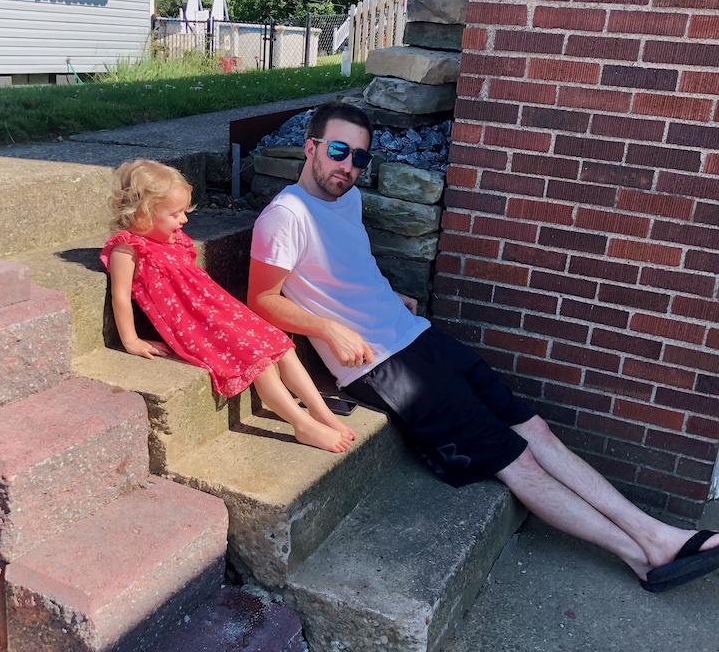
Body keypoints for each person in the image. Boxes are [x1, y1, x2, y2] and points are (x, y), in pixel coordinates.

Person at [248, 101, 719, 592]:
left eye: (360, 158)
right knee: (517, 460)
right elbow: (261, 301)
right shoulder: (286, 216)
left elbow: (346, 269)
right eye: (339, 151)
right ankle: (640, 555)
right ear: (311, 147)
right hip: (381, 367)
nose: (348, 166)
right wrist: (328, 328)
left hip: (415, 336)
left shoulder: (347, 199)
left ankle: (657, 534)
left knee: (534, 428)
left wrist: (389, 295)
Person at [100, 159, 356, 454]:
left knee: (280, 344)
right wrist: (130, 340)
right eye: (175, 214)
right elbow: (121, 295)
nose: (183, 220)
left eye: (184, 211)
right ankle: (301, 424)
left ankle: (320, 411)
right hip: (194, 324)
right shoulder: (129, 248)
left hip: (217, 309)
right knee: (258, 360)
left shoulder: (170, 239)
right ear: (142, 214)